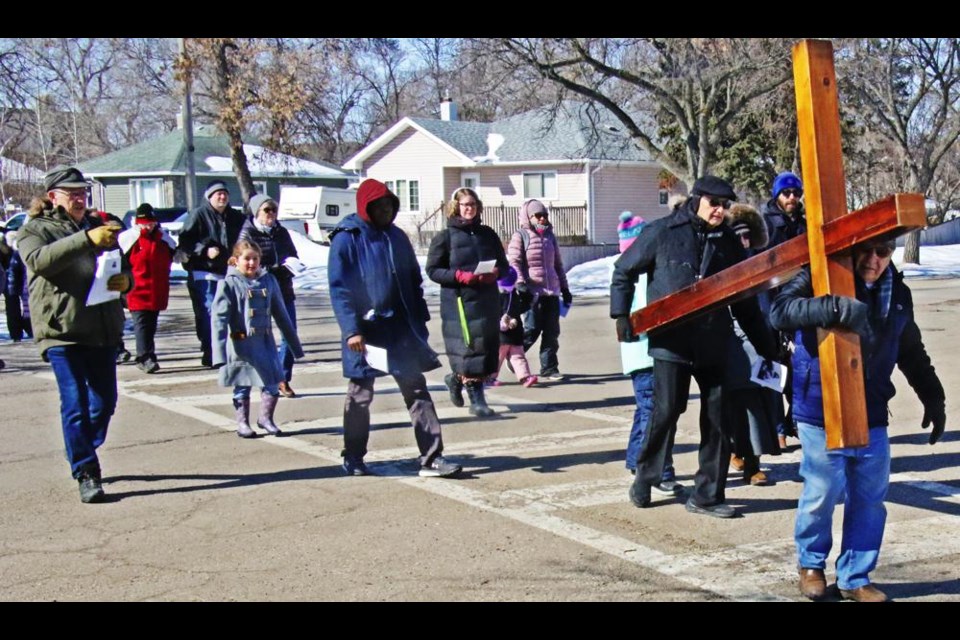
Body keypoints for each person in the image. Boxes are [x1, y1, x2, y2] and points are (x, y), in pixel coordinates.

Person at [770, 236, 947, 603]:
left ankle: (854, 576)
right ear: (852, 250)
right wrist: (830, 307)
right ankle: (811, 566)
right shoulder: (819, 275)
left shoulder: (897, 291)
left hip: (871, 408)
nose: (873, 259)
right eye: (866, 250)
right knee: (822, 491)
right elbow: (781, 311)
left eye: (883, 252)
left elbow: (909, 347)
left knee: (869, 497)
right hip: (821, 406)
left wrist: (933, 396)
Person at [611, 176, 776, 519]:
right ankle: (647, 474)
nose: (720, 211)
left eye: (725, 205)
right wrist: (621, 315)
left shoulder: (729, 242)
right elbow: (623, 271)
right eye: (714, 203)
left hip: (715, 340)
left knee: (718, 418)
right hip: (671, 339)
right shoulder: (662, 232)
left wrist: (767, 345)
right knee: (667, 410)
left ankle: (707, 495)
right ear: (698, 199)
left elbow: (744, 300)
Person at [328, 179, 462, 478]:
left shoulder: (397, 237)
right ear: (367, 207)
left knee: (416, 390)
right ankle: (353, 456)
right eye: (381, 206)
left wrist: (419, 320)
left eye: (390, 206)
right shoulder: (347, 238)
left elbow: (413, 281)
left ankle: (432, 458)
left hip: (400, 330)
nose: (387, 211)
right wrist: (352, 330)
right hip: (366, 332)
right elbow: (340, 289)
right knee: (360, 395)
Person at [17, 167, 132, 503]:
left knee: (104, 403)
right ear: (53, 196)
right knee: (75, 404)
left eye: (83, 192)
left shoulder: (98, 225)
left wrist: (126, 281)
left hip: (101, 330)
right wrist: (85, 240)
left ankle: (80, 445)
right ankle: (86, 471)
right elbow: (38, 261)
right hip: (61, 332)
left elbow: (120, 266)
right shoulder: (34, 230)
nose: (80, 198)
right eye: (72, 193)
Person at [614, 210, 683, 495]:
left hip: (652, 352)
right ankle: (659, 470)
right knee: (656, 413)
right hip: (643, 353)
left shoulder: (648, 270)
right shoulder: (635, 275)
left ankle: (635, 458)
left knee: (647, 410)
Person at [426, 187, 509, 417]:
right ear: (456, 207)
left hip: (487, 299)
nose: (469, 208)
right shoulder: (445, 237)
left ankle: (454, 379)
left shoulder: (488, 234)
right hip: (460, 302)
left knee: (487, 348)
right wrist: (459, 276)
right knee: (470, 347)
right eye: (465, 205)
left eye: (472, 204)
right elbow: (433, 270)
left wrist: (495, 273)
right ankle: (477, 400)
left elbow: (504, 266)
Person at [211, 240, 303, 438]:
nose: (251, 263)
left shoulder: (269, 281)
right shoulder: (228, 284)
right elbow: (218, 320)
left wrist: (295, 346)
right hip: (240, 345)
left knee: (272, 382)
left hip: (264, 343)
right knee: (242, 385)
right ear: (236, 261)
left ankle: (266, 419)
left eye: (255, 259)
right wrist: (218, 353)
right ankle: (243, 423)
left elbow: (281, 314)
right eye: (247, 259)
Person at [724, 204, 782, 486]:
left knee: (766, 399)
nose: (744, 241)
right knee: (743, 402)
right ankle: (746, 460)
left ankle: (752, 455)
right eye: (738, 235)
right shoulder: (721, 262)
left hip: (766, 337)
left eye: (748, 236)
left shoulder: (761, 261)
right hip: (735, 342)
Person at [760, 171, 806, 449]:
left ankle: (795, 420)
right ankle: (776, 427)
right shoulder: (765, 223)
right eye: (786, 193)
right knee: (771, 367)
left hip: (799, 300)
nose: (792, 197)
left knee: (801, 365)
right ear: (777, 194)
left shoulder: (804, 222)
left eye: (795, 193)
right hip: (770, 303)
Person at [177, 179, 246, 367]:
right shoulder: (198, 215)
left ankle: (236, 349)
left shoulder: (235, 217)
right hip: (205, 272)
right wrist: (204, 250)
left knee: (235, 312)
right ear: (210, 197)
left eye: (225, 193)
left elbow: (245, 237)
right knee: (210, 312)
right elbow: (185, 242)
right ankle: (211, 351)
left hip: (230, 272)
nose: (222, 197)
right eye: (218, 194)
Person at [238, 193, 300, 397]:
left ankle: (282, 378)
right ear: (257, 212)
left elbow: (293, 256)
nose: (271, 214)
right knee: (257, 337)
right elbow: (246, 264)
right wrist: (271, 269)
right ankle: (259, 377)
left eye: (274, 209)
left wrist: (289, 267)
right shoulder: (247, 234)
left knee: (290, 334)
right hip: (259, 291)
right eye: (267, 210)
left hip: (283, 289)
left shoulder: (281, 232)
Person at [507, 198, 571, 382]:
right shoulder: (521, 236)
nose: (542, 219)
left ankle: (549, 368)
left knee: (552, 331)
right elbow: (514, 262)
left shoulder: (550, 236)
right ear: (529, 217)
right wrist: (520, 283)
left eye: (545, 215)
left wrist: (565, 288)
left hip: (551, 291)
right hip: (531, 291)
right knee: (532, 328)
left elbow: (558, 265)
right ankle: (514, 356)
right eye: (538, 216)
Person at [124, 203, 175, 374]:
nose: (149, 225)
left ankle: (149, 355)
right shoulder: (129, 238)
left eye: (152, 222)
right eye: (146, 222)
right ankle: (144, 357)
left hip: (156, 289)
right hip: (137, 290)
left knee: (151, 325)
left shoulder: (162, 238)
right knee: (142, 324)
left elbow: (175, 253)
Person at [490, 266, 537, 388]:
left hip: (515, 332)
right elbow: (491, 312)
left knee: (518, 356)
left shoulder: (514, 294)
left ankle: (525, 377)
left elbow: (520, 308)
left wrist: (529, 298)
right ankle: (489, 377)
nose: (506, 290)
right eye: (504, 287)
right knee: (497, 358)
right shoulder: (493, 295)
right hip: (501, 334)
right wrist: (501, 322)